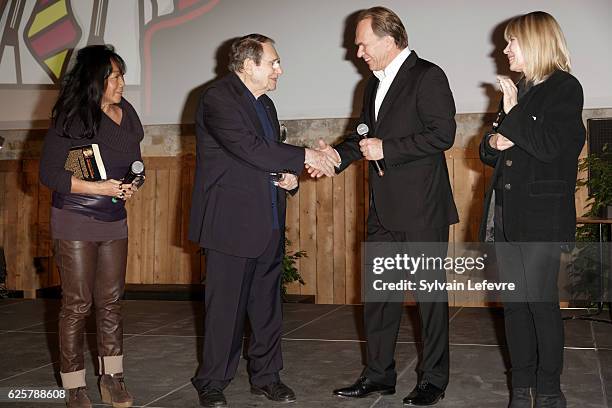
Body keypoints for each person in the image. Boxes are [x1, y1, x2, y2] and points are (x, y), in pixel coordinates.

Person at [319, 7, 458, 406]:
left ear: (388, 38)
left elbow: (443, 134)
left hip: (422, 208)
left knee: (429, 300)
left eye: (363, 43)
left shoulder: (428, 75)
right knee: (380, 297)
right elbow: (363, 136)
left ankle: (433, 380)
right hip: (382, 208)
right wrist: (336, 157)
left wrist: (389, 149)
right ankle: (379, 375)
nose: (357, 50)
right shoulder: (371, 85)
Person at [188, 34, 336, 408]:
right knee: (225, 310)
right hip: (229, 224)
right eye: (273, 62)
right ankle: (212, 381)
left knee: (268, 307)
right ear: (248, 64)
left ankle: (267, 377)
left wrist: (288, 177)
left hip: (267, 219)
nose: (279, 70)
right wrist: (304, 156)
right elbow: (248, 148)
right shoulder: (217, 98)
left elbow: (262, 159)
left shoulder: (265, 105)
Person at [479, 11, 585, 408]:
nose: (504, 49)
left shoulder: (564, 88)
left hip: (541, 218)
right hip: (505, 215)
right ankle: (520, 389)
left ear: (537, 42)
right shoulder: (517, 89)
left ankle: (550, 390)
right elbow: (485, 150)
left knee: (540, 303)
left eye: (511, 42)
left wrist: (513, 114)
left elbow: (551, 147)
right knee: (515, 306)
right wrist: (497, 140)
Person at [39, 45, 144, 408]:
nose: (121, 83)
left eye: (121, 75)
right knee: (78, 304)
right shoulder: (70, 118)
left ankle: (112, 378)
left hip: (114, 217)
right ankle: (73, 385)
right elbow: (49, 174)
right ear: (95, 81)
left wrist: (133, 184)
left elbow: (135, 163)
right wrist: (97, 187)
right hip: (75, 217)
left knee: (112, 303)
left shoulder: (127, 114)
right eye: (114, 77)